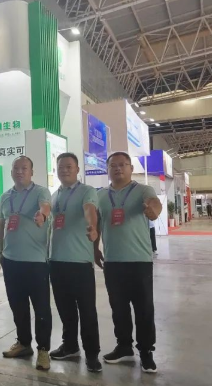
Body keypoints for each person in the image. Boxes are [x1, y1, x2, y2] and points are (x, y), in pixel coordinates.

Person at [95, 152, 162, 374]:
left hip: (139, 261)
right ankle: (124, 346)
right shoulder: (101, 195)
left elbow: (154, 205)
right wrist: (95, 249)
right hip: (113, 262)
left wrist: (153, 211)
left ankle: (146, 352)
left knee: (144, 309)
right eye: (113, 165)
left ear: (131, 168)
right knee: (119, 308)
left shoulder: (143, 190)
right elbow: (97, 223)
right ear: (107, 169)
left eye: (123, 165)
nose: (118, 168)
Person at [0, 156, 53, 371]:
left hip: (36, 262)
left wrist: (42, 215)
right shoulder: (5, 196)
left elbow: (45, 206)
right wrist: (1, 251)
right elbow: (2, 223)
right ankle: (23, 343)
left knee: (41, 308)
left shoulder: (40, 191)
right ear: (11, 171)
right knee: (17, 306)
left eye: (24, 168)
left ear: (32, 171)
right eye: (16, 168)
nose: (20, 171)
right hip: (11, 261)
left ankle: (43, 350)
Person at [48, 153, 102, 373]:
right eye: (61, 167)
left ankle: (92, 354)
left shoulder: (87, 191)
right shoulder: (55, 195)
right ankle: (70, 346)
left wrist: (92, 227)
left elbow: (90, 210)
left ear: (77, 169)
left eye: (69, 166)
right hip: (56, 261)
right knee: (65, 309)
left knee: (87, 311)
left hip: (80, 262)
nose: (64, 170)